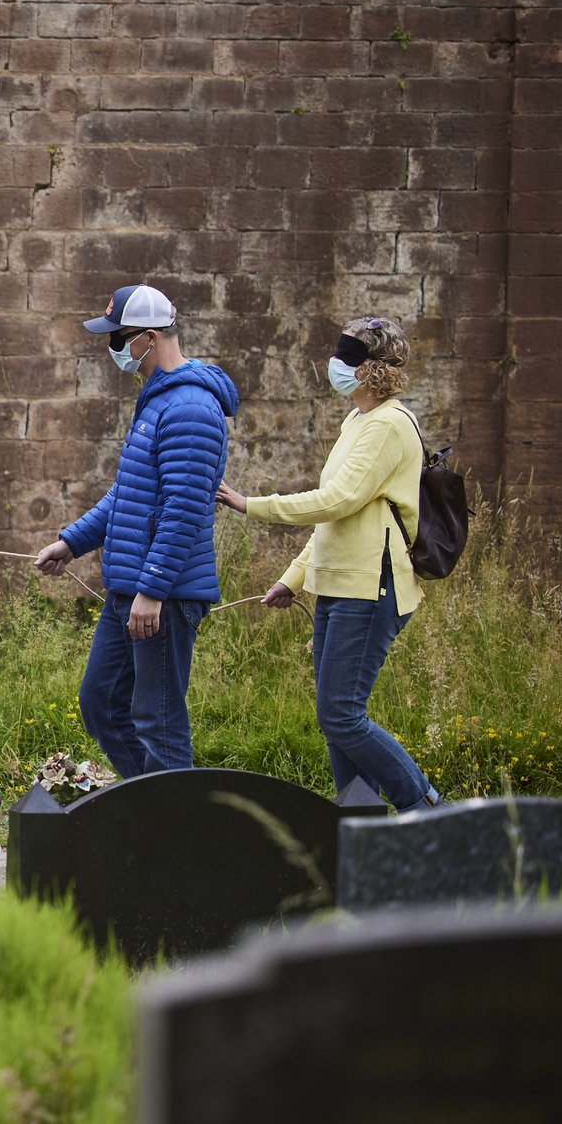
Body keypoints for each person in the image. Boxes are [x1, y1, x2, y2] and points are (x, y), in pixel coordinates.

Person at [217, 317, 441, 810]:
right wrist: (294, 579)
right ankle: (357, 820)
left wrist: (252, 504)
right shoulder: (358, 422)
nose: (333, 365)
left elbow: (336, 500)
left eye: (344, 357)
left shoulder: (388, 425)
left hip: (371, 588)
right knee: (336, 717)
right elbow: (336, 523)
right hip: (339, 586)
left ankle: (425, 807)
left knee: (340, 714)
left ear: (366, 370)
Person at [34, 284, 238, 776]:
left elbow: (184, 510)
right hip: (130, 588)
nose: (113, 350)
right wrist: (72, 541)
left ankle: (177, 840)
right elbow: (127, 495)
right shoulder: (157, 399)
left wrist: (152, 590)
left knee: (157, 720)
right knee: (101, 703)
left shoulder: (189, 407)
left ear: (149, 337)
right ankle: (149, 809)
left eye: (118, 338)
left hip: (161, 596)